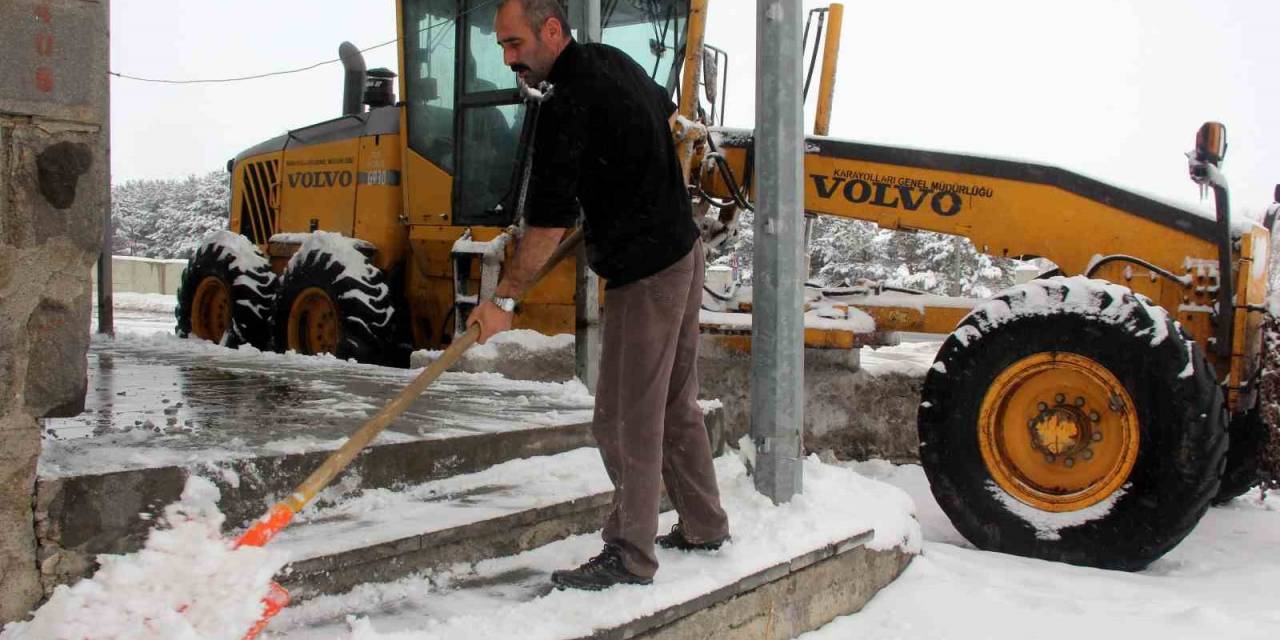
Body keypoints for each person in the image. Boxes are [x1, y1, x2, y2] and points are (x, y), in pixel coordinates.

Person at [467, 0, 731, 591]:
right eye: (503, 47)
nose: (509, 59)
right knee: (672, 404)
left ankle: (629, 556)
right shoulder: (614, 61)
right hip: (683, 251)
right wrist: (621, 185)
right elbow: (661, 119)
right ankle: (704, 525)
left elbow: (546, 227)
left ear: (552, 30)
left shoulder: (565, 106)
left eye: (515, 44)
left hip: (647, 271)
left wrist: (504, 299)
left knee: (622, 418)